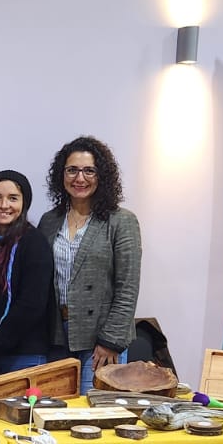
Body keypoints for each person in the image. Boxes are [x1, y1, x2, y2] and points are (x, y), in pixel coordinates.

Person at [37, 136, 142, 394]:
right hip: (57, 337)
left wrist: (111, 341)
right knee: (57, 410)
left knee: (92, 410)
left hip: (101, 341)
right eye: (72, 170)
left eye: (89, 171)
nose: (79, 178)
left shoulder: (121, 221)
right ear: (61, 175)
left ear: (102, 175)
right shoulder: (49, 220)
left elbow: (127, 287)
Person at [0, 170, 55, 377]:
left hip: (25, 355)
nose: (4, 205)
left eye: (13, 198)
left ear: (24, 203)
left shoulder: (35, 243)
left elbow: (32, 303)